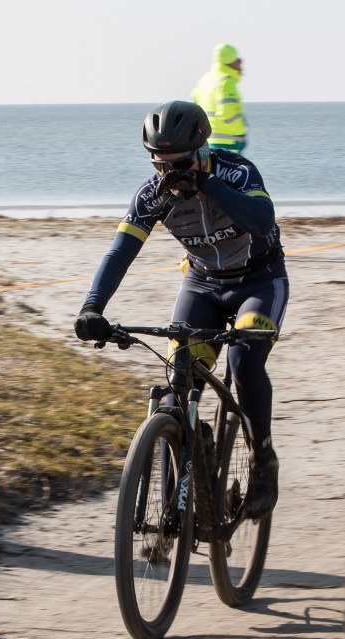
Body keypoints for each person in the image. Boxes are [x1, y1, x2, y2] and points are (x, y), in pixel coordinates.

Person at [73, 100, 287, 519]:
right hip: (203, 286)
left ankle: (263, 460)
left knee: (244, 362)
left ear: (203, 151)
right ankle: (182, 485)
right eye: (161, 165)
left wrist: (206, 184)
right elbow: (120, 253)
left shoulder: (236, 172)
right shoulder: (152, 195)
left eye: (181, 164)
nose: (171, 174)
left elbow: (262, 221)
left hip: (259, 282)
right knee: (177, 385)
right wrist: (92, 307)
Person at [192, 43, 248, 154]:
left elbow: (194, 109)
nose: (240, 62)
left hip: (206, 142)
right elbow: (227, 114)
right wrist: (241, 133)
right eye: (237, 59)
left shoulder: (205, 80)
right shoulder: (225, 81)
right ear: (229, 61)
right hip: (228, 144)